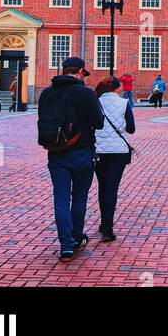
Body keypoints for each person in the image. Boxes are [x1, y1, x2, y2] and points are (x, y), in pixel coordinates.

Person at [37, 56, 104, 261]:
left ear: (63, 71)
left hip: (56, 152)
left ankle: (65, 246)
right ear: (81, 72)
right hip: (83, 151)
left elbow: (42, 118)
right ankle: (76, 237)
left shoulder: (47, 93)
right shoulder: (85, 93)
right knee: (80, 197)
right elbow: (99, 123)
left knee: (61, 199)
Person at [93, 76, 135, 242]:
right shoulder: (124, 104)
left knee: (102, 186)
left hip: (99, 151)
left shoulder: (95, 103)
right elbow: (131, 129)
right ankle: (108, 228)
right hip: (118, 151)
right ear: (117, 89)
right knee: (112, 188)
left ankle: (104, 224)